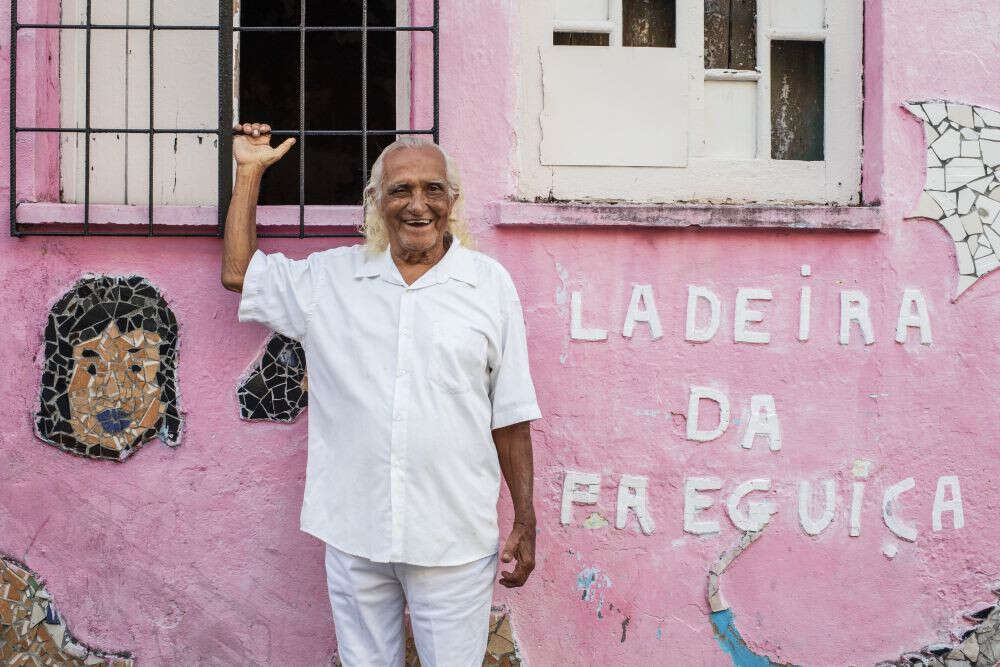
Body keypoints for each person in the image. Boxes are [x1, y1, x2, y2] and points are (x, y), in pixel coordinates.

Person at [221, 122, 540, 666]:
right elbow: (238, 272)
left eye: (433, 189)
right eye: (401, 190)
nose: (419, 205)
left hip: (453, 537)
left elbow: (510, 414)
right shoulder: (334, 279)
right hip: (355, 529)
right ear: (375, 202)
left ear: (452, 201)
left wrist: (526, 520)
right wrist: (249, 172)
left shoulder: (488, 285)